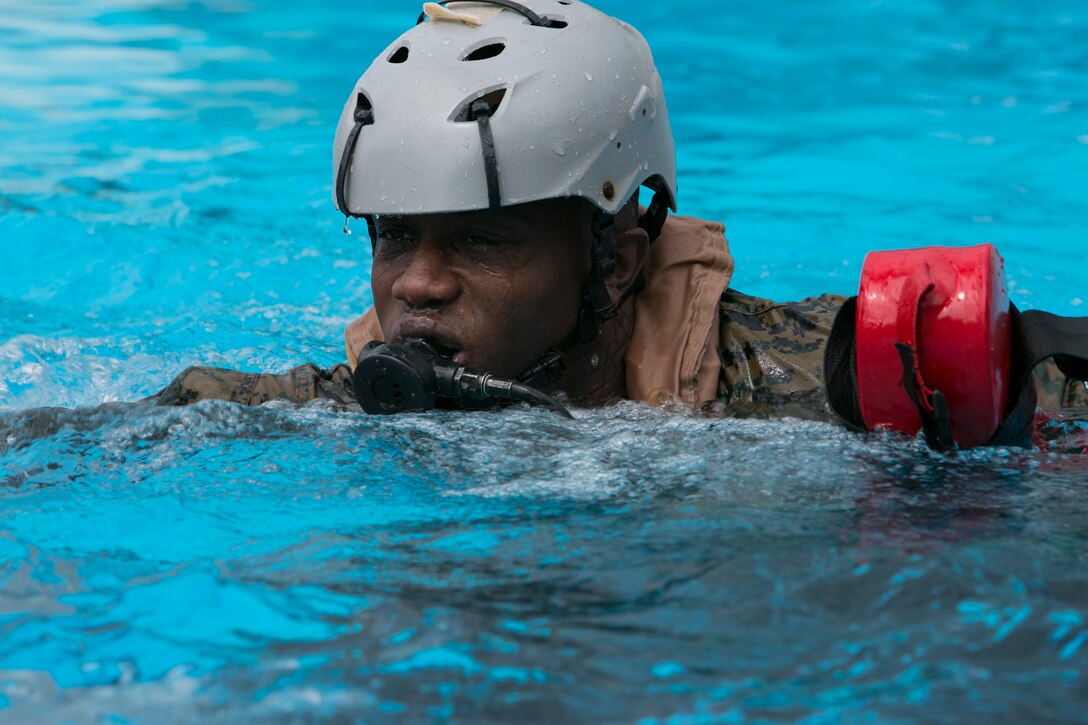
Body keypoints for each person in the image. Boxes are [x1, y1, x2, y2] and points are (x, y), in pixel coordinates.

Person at [150, 0, 1088, 451]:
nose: (417, 284)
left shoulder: (820, 387)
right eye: (396, 235)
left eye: (480, 240)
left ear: (618, 262)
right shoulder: (348, 407)